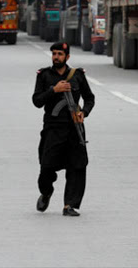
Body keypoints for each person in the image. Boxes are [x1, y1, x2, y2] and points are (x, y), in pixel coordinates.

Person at [32, 42, 95, 216]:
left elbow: (89, 98)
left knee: (77, 166)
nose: (56, 57)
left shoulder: (78, 76)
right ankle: (46, 192)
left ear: (67, 57)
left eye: (60, 54)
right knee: (46, 166)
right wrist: (54, 90)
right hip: (53, 128)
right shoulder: (44, 75)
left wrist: (84, 112)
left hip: (75, 129)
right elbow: (37, 101)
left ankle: (70, 205)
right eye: (54, 54)